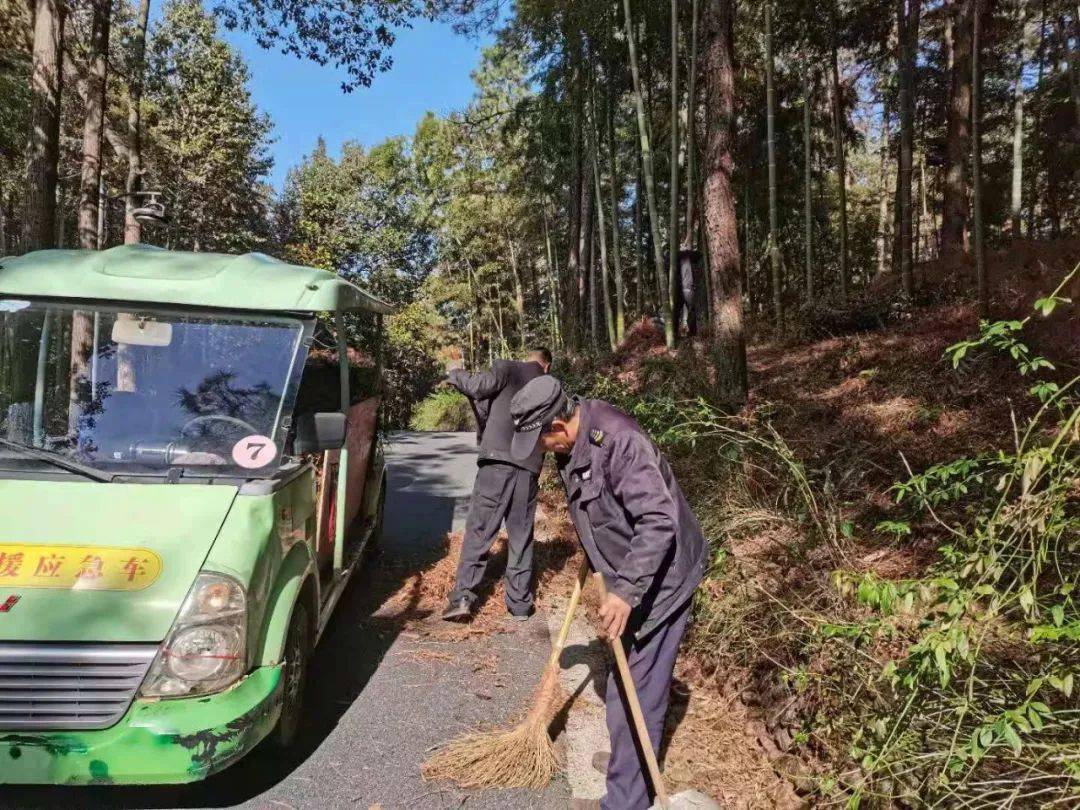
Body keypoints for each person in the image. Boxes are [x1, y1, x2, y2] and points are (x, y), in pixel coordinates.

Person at [509, 376, 706, 810]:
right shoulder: (577, 438)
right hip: (632, 572)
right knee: (624, 684)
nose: (542, 453)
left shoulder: (619, 441)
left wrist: (626, 591)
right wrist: (594, 553)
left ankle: (624, 800)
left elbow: (657, 521)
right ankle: (627, 766)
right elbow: (605, 508)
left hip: (662, 580)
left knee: (638, 691)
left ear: (558, 426)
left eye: (542, 443)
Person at [441, 347, 553, 622]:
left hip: (497, 464)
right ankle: (520, 605)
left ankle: (463, 598)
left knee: (481, 529)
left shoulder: (507, 369)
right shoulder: (551, 388)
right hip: (528, 468)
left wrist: (455, 371)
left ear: (528, 358)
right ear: (546, 366)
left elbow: (478, 387)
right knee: (521, 536)